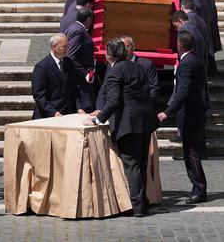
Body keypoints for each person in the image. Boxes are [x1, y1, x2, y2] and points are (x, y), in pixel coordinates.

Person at [89, 38, 157, 217]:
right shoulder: (138, 67)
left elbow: (113, 101)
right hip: (145, 121)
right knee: (140, 164)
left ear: (108, 55)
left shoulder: (114, 72)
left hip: (129, 124)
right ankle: (144, 203)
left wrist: (98, 119)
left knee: (132, 165)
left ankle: (139, 207)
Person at [157, 30, 208, 204]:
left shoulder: (187, 64)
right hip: (195, 111)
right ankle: (197, 187)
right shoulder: (196, 59)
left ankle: (200, 188)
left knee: (191, 153)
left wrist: (167, 112)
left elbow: (182, 92)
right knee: (191, 151)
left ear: (179, 45)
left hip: (189, 113)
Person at [30, 34, 74, 118]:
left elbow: (74, 88)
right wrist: (53, 112)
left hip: (67, 113)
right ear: (54, 47)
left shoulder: (69, 63)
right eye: (63, 47)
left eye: (67, 46)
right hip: (47, 115)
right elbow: (39, 95)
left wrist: (79, 107)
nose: (66, 49)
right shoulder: (42, 67)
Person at [65, 8, 96, 112]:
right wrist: (85, 73)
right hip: (80, 78)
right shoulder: (78, 31)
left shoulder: (74, 27)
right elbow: (70, 55)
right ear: (88, 19)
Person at [121, 35, 160, 104]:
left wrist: (143, 106)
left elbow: (154, 88)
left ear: (133, 47)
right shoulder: (115, 65)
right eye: (121, 47)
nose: (124, 50)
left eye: (127, 47)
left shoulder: (146, 65)